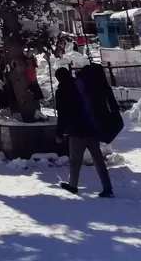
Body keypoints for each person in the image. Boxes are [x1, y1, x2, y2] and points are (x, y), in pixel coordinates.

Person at [55, 67, 113, 198]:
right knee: (98, 159)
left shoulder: (62, 91)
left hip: (77, 131)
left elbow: (62, 114)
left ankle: (73, 185)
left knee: (75, 160)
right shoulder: (83, 85)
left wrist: (59, 134)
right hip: (92, 127)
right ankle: (107, 187)